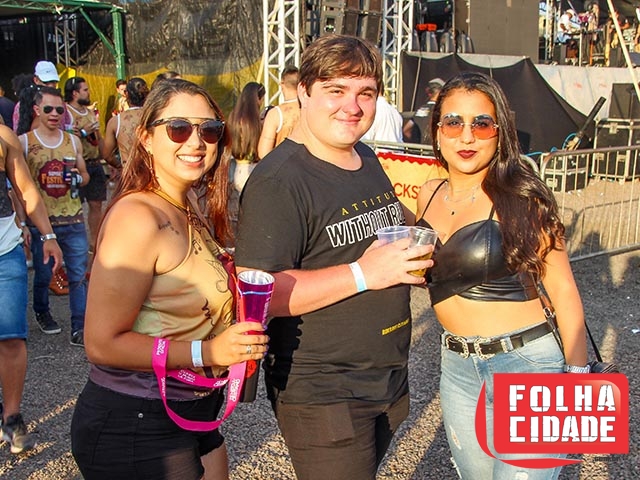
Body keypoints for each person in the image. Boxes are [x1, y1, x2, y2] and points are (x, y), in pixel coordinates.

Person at [234, 34, 433, 480]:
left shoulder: (365, 156)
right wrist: (364, 273)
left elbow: (387, 223)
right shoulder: (278, 181)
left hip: (386, 374)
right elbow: (258, 296)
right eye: (336, 90)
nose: (352, 107)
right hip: (325, 390)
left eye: (366, 93)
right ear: (303, 92)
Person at [70, 79, 268, 480]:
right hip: (136, 424)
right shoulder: (138, 218)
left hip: (193, 413)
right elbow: (102, 343)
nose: (196, 141)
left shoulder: (188, 202)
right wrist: (208, 353)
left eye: (210, 130)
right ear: (146, 138)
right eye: (178, 128)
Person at [414, 72, 588, 479]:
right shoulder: (428, 194)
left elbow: (563, 290)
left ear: (499, 132)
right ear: (437, 132)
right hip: (458, 368)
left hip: (528, 366)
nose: (467, 136)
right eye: (453, 122)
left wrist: (577, 380)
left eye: (482, 124)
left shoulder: (520, 198)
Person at [0, 124, 63, 454]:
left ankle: (12, 418)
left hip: (4, 250)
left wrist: (48, 236)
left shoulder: (3, 137)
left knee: (11, 337)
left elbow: (25, 188)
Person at [19, 86, 90, 346]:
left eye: (59, 110)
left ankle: (79, 326)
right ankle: (42, 311)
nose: (54, 114)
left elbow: (85, 175)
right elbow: (18, 186)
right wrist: (22, 223)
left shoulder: (73, 141)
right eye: (48, 109)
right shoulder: (24, 142)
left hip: (73, 219)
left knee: (78, 275)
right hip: (42, 223)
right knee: (43, 274)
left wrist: (79, 178)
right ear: (37, 110)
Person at [64, 76, 112, 261]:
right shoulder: (65, 112)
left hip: (94, 163)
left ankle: (95, 242)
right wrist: (84, 132)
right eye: (85, 90)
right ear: (75, 93)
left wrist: (107, 158)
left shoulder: (90, 112)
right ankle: (76, 247)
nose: (88, 92)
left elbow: (98, 137)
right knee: (75, 206)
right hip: (77, 165)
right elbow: (66, 136)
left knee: (96, 204)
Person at [102, 77, 149, 172]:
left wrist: (122, 168)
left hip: (129, 173)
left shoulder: (115, 121)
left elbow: (107, 155)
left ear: (126, 94)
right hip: (154, 174)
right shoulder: (154, 116)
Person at [228, 81, 265, 193]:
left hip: (237, 169)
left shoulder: (233, 117)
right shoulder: (256, 121)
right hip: (253, 168)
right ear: (258, 98)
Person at [257, 66, 300, 158]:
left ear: (281, 84)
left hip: (283, 164)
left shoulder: (275, 114)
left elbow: (263, 153)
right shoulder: (310, 110)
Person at [403, 77, 444, 145]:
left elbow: (406, 130)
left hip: (418, 149)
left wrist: (416, 142)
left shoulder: (421, 109)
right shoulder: (441, 110)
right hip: (433, 149)